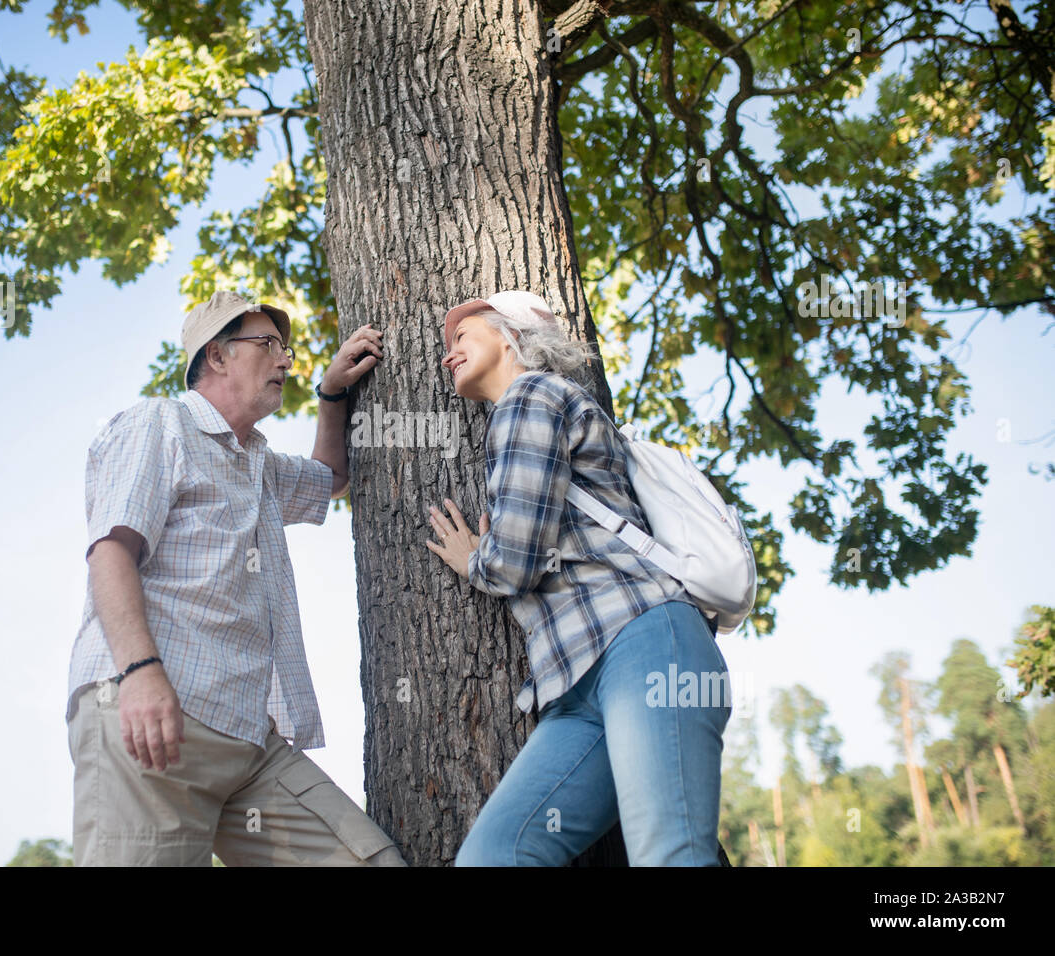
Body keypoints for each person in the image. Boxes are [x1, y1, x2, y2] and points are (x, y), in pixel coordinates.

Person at [66, 289, 406, 866]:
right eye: (267, 345)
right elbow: (111, 552)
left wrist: (331, 395)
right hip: (154, 720)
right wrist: (140, 674)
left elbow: (330, 478)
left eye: (286, 349)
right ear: (217, 356)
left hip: (250, 741)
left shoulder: (260, 463)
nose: (283, 360)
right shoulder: (159, 424)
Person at [424, 290, 732, 866]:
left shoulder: (531, 396)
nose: (448, 355)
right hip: (575, 687)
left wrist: (474, 559)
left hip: (642, 643)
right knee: (496, 856)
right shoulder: (529, 407)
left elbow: (512, 558)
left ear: (510, 335)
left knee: (670, 857)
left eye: (461, 337)